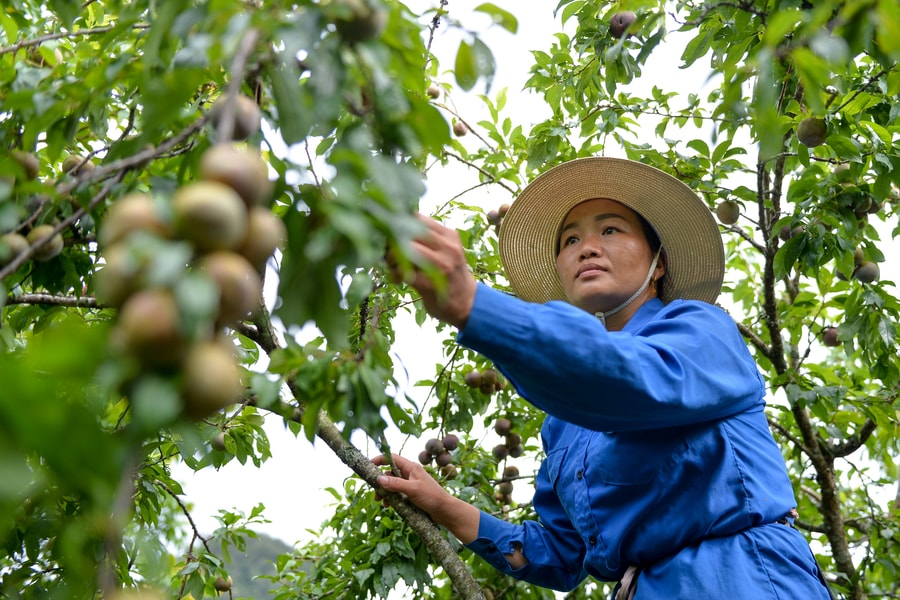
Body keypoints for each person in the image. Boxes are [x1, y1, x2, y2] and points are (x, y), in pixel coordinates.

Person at [374, 157, 833, 599]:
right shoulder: (563, 422)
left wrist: (474, 305)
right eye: (570, 240)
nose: (587, 248)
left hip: (741, 579)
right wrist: (443, 504)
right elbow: (561, 554)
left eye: (610, 230)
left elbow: (628, 378)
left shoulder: (704, 331)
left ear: (658, 263)